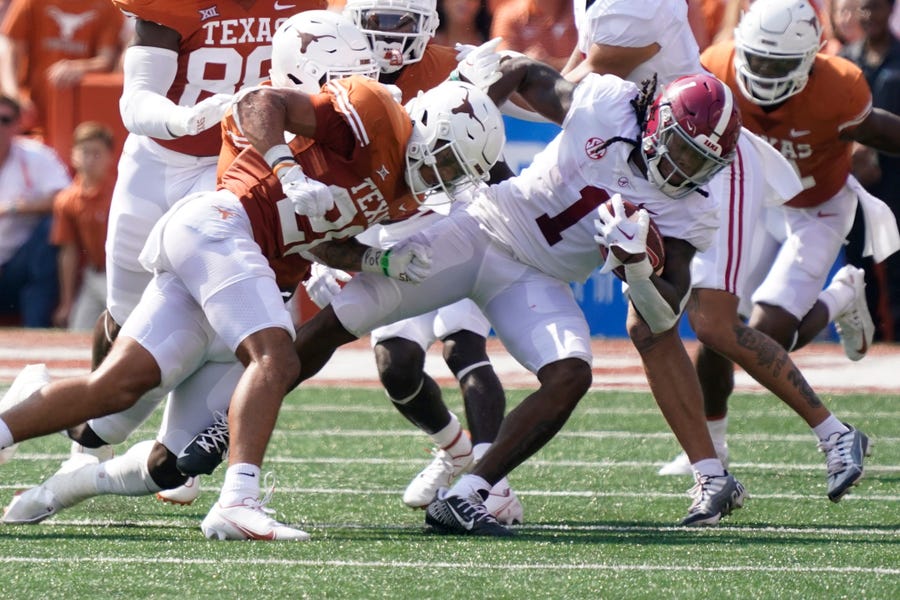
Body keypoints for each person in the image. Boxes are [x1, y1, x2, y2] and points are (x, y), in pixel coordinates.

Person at [242, 61, 748, 537]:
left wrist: (637, 268)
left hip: (538, 280)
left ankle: (467, 494)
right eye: (682, 150)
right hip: (481, 228)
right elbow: (519, 71)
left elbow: (662, 315)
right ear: (658, 123)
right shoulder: (607, 103)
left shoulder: (696, 206)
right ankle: (224, 425)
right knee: (344, 319)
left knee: (571, 372)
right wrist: (479, 147)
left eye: (700, 162)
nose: (684, 169)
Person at [0, 74, 505, 541]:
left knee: (143, 427)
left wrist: (376, 258)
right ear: (432, 130)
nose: (443, 178)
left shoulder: (401, 196)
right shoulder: (374, 114)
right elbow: (259, 100)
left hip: (246, 276)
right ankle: (238, 501)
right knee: (277, 358)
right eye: (447, 160)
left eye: (456, 173)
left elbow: (318, 239)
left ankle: (56, 483)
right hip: (223, 227)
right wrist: (285, 167)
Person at [565, 0, 873, 504]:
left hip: (711, 166)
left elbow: (579, 80)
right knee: (649, 325)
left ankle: (835, 434)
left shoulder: (637, 7)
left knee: (713, 325)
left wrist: (493, 83)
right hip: (663, 162)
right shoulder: (611, 13)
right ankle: (711, 472)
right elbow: (579, 77)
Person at [55, 0, 327, 504]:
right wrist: (187, 119)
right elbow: (136, 102)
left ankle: (181, 434)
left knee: (208, 309)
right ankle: (92, 436)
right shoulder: (170, 5)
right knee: (124, 313)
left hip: (235, 165)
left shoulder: (308, 7)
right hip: (157, 159)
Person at [659, 0, 898, 480]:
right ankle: (713, 445)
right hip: (750, 201)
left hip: (818, 206)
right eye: (759, 60)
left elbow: (879, 130)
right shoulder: (717, 65)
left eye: (779, 64)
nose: (764, 73)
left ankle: (840, 296)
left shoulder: (840, 84)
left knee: (768, 336)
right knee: (716, 326)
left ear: (809, 59)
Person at [340, 0, 519, 521]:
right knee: (395, 366)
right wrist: (328, 255)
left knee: (463, 345)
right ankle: (455, 450)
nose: (389, 36)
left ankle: (491, 480)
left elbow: (526, 88)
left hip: (455, 212)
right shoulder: (335, 68)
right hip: (390, 227)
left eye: (400, 22)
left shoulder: (453, 63)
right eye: (377, 22)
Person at [841, 0, 900, 342]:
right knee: (857, 262)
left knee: (897, 262)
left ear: (890, 9)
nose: (869, 16)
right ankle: (867, 341)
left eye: (876, 8)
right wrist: (853, 152)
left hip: (895, 178)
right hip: (852, 180)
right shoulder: (844, 60)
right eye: (864, 8)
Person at [0, 0, 124, 138]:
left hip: (76, 119)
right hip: (31, 114)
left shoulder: (107, 6)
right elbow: (11, 54)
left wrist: (76, 67)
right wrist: (13, 97)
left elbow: (106, 61)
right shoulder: (30, 2)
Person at [0, 94, 71, 327]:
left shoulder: (35, 155)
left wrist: (14, 208)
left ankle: (36, 328)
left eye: (5, 120)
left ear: (18, 124)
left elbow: (65, 199)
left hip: (16, 267)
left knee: (51, 225)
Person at [50, 122, 116, 331]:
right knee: (77, 331)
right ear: (73, 155)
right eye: (84, 152)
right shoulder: (67, 199)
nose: (89, 159)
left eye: (97, 153)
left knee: (127, 327)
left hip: (119, 274)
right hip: (93, 274)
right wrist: (66, 301)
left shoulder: (119, 192)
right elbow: (68, 251)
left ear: (109, 157)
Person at [490, 0, 576, 71]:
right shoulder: (509, 14)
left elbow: (587, 62)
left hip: (578, 87)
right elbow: (503, 61)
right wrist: (524, 61)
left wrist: (548, 64)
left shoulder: (580, 9)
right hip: (528, 88)